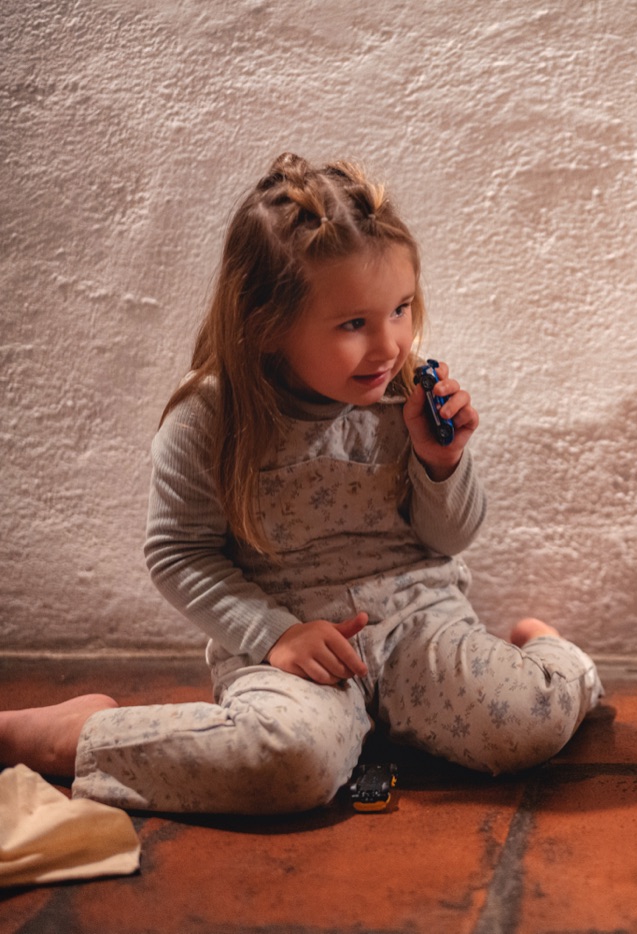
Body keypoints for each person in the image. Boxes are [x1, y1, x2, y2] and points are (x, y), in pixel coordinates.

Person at [0, 154, 602, 813]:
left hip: (417, 619)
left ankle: (541, 647)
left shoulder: (407, 394)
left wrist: (443, 464)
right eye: (354, 324)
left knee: (530, 718)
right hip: (288, 645)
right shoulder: (208, 421)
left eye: (400, 309)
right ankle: (75, 735)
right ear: (265, 327)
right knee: (289, 762)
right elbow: (178, 555)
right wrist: (274, 634)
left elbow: (451, 537)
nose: (390, 344)